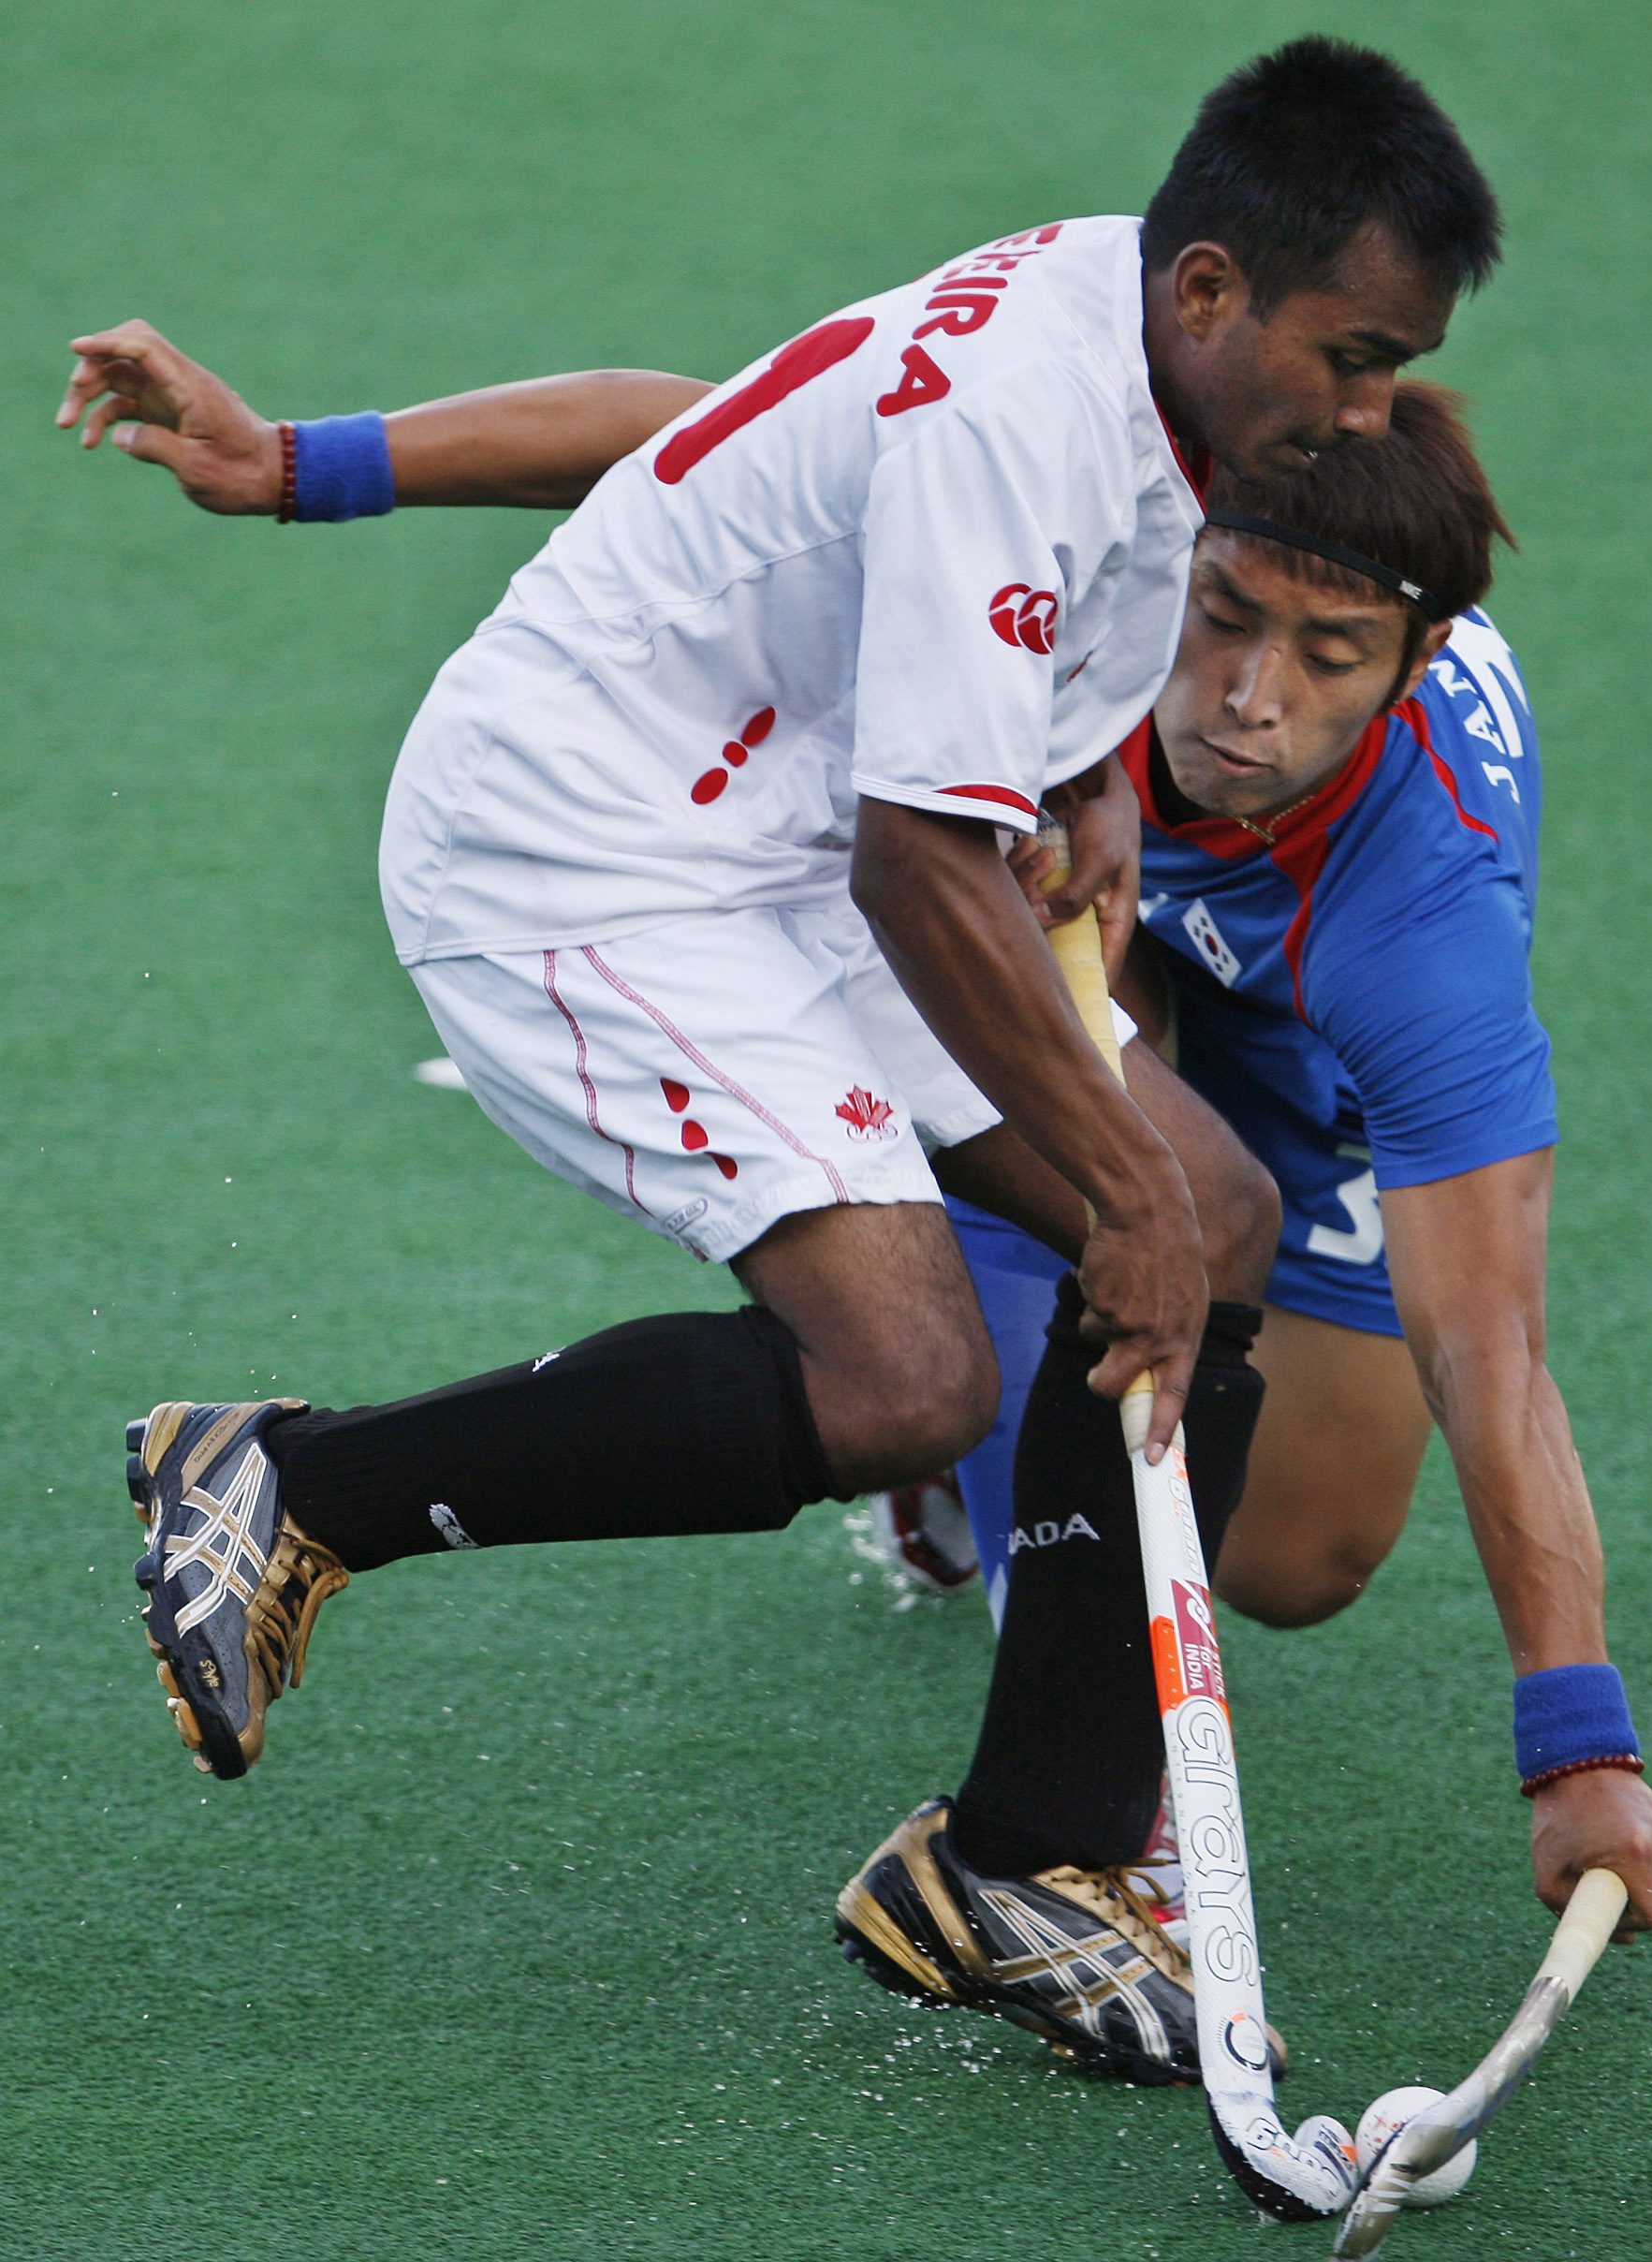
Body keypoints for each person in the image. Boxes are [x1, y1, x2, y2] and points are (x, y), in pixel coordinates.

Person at [66, 39, 1503, 2087]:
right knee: (913, 1369)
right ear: (1207, 292)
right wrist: (1112, 1180)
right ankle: (295, 1478)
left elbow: (734, 442)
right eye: (1351, 359)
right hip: (588, 851)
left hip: (792, 835)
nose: (1365, 413)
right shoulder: (1034, 397)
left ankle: (1011, 1859)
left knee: (1215, 1211)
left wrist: (1087, 758)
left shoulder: (1148, 338)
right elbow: (917, 859)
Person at [898, 384, 1652, 1956]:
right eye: (1225, 620)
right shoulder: (1077, 585)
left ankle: (972, 1410)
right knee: (1074, 1164)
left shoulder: (1425, 927)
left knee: (1294, 1556)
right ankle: (990, 1483)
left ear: (1407, 673)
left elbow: (1489, 1341)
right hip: (1069, 882)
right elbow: (736, 451)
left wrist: (1580, 1744)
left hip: (1294, 953)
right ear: (1176, 561)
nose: (1246, 700)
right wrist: (322, 466)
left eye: (1328, 659)